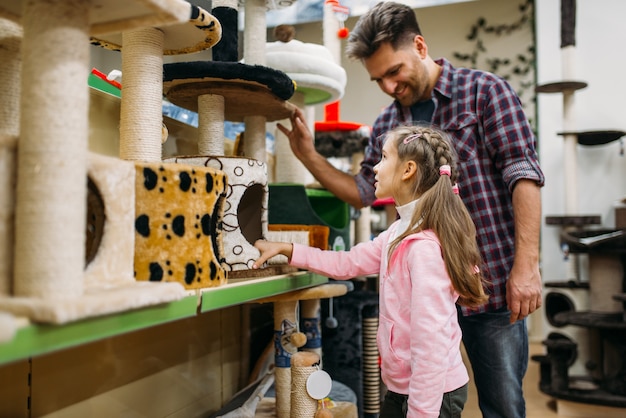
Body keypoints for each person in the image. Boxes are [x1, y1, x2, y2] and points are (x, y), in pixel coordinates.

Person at [275, 2, 545, 417]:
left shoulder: (485, 92)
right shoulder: (388, 125)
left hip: (490, 280)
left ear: (419, 45)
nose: (387, 85)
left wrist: (526, 267)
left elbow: (523, 174)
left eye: (393, 71)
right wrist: (308, 156)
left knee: (503, 403)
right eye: (377, 78)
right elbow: (363, 191)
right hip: (419, 286)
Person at [255, 125, 488, 418]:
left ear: (408, 170)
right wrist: (289, 249)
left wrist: (420, 412)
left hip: (431, 393)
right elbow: (346, 264)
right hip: (404, 387)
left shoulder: (423, 249)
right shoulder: (398, 232)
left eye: (383, 157)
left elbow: (431, 345)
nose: (375, 168)